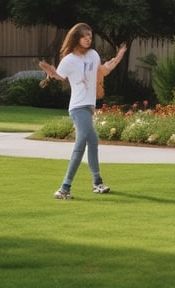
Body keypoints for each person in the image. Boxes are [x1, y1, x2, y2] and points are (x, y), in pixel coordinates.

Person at [38, 23, 127, 199]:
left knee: (93, 141)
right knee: (81, 144)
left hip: (89, 106)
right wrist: (50, 73)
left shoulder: (93, 55)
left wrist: (116, 59)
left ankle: (97, 183)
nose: (88, 39)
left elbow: (101, 71)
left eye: (90, 36)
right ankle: (64, 189)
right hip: (78, 108)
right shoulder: (69, 60)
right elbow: (59, 76)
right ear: (76, 38)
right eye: (84, 36)